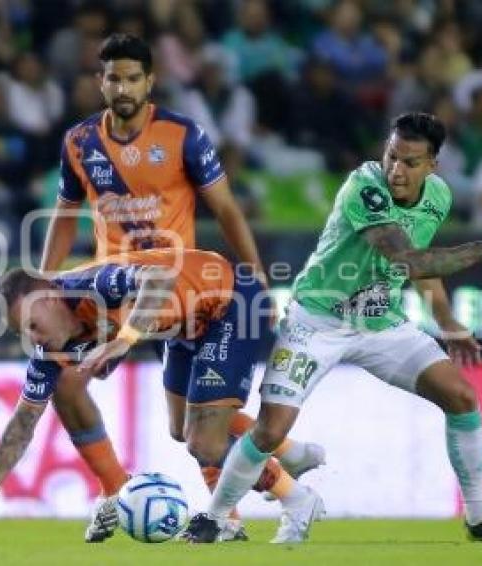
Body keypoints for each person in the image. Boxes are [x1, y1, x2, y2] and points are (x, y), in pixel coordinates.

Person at [184, 112, 482, 544]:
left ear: (433, 166)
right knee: (271, 430)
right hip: (316, 320)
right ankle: (215, 516)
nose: (397, 169)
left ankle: (481, 516)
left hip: (380, 324)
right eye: (392, 156)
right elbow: (406, 260)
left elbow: (421, 266)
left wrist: (447, 321)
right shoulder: (364, 186)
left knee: (461, 396)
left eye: (410, 162)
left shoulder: (438, 197)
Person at [39, 33, 324, 542]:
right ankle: (274, 462)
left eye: (131, 78)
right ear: (99, 82)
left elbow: (227, 209)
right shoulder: (79, 143)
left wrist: (255, 274)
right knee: (174, 424)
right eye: (112, 77)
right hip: (120, 296)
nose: (121, 87)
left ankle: (255, 500)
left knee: (200, 430)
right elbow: (64, 218)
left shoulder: (182, 135)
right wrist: (45, 283)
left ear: (149, 82)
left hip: (183, 292)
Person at [0, 249, 322, 545]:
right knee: (182, 432)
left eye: (32, 324)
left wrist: (124, 340)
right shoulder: (50, 350)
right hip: (182, 327)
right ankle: (292, 452)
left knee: (205, 441)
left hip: (229, 300)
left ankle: (296, 497)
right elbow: (21, 426)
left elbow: (158, 277)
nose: (33, 339)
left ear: (48, 297)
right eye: (22, 334)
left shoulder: (90, 285)